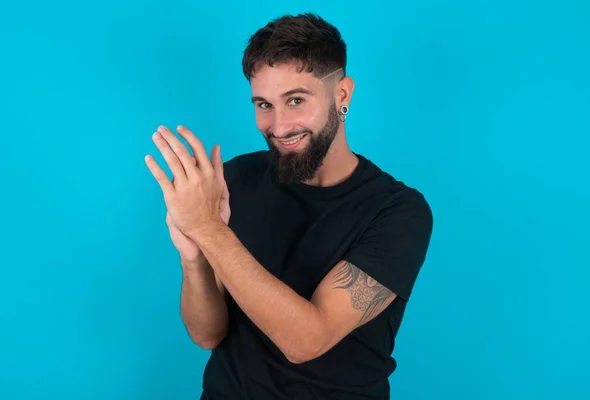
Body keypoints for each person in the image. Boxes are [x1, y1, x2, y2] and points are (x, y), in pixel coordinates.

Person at [144, 12, 434, 400]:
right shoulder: (237, 179)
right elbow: (207, 334)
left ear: (342, 95)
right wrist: (194, 254)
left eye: (295, 100)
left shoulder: (398, 211)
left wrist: (210, 231)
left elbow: (307, 340)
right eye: (263, 104)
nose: (278, 127)